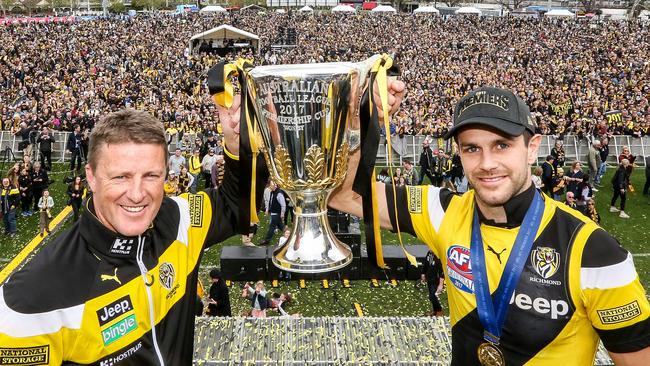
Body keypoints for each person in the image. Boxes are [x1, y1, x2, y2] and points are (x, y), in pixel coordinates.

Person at [329, 86, 650, 365]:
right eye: (472, 148)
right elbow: (344, 195)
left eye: (502, 145)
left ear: (532, 147)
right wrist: (363, 121)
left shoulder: (596, 252)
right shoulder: (440, 210)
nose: (486, 163)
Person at [0, 108, 240, 365]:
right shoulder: (26, 304)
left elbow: (233, 206)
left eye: (151, 175)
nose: (137, 194)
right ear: (91, 177)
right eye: (121, 177)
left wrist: (237, 146)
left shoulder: (182, 218)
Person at [261, 180, 286, 246]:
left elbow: (283, 205)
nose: (270, 187)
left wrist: (282, 214)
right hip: (274, 212)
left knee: (272, 227)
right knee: (281, 226)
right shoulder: (272, 192)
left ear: (275, 185)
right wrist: (267, 209)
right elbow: (270, 201)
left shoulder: (279, 193)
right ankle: (291, 235)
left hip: (277, 213)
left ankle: (267, 240)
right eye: (270, 185)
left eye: (271, 185)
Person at [421, 250, 444, 317]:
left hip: (435, 280)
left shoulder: (439, 256)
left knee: (432, 296)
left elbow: (441, 272)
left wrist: (441, 284)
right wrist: (423, 273)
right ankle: (435, 311)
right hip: (429, 278)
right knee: (431, 296)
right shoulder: (429, 253)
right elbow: (426, 263)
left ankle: (439, 311)